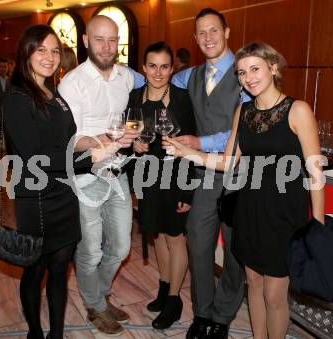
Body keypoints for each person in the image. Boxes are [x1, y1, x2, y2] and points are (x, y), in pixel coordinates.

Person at [166, 42, 325, 339]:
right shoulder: (244, 111)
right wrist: (185, 152)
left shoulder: (297, 110)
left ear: (273, 68)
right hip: (248, 209)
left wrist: (317, 223)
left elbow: (315, 171)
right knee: (253, 282)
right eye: (241, 73)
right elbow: (227, 163)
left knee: (275, 294)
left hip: (284, 214)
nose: (248, 78)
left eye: (255, 69)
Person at [2, 24, 117, 339]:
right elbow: (35, 156)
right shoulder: (16, 98)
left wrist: (94, 142)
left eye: (54, 50)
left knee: (59, 271)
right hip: (36, 199)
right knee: (35, 270)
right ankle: (36, 333)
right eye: (41, 49)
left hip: (66, 194)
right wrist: (90, 159)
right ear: (26, 52)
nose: (49, 57)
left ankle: (56, 334)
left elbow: (66, 141)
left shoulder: (55, 94)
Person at [58, 15, 140, 336]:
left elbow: (133, 116)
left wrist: (133, 134)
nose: (107, 47)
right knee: (90, 249)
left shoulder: (126, 79)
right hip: (84, 175)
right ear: (86, 41)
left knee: (120, 248)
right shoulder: (72, 83)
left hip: (116, 171)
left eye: (112, 40)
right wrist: (105, 139)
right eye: (99, 39)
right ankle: (94, 305)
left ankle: (100, 295)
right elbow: (72, 138)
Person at [169, 8, 246, 338]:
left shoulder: (245, 72)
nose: (208, 38)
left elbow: (240, 130)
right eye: (201, 33)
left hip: (240, 172)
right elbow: (160, 79)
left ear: (227, 32)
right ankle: (202, 312)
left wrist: (198, 141)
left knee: (234, 248)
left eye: (214, 30)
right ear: (195, 39)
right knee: (198, 240)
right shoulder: (191, 76)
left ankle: (223, 315)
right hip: (204, 171)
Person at [128, 41, 196, 330]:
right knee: (159, 236)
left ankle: (174, 299)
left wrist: (188, 189)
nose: (158, 72)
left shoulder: (182, 98)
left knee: (176, 237)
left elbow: (192, 142)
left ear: (172, 68)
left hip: (176, 174)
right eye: (152, 66)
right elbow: (130, 133)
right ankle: (164, 286)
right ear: (144, 68)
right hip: (148, 175)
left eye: (164, 66)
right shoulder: (134, 96)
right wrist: (134, 145)